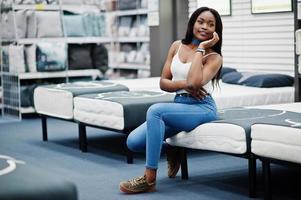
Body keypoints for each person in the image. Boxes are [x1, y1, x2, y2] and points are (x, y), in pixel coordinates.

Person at [119, 6, 223, 194]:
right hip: (180, 104)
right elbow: (163, 82)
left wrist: (201, 48)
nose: (204, 27)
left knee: (156, 111)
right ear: (193, 23)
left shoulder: (214, 57)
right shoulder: (176, 46)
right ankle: (171, 147)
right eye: (200, 21)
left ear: (216, 31)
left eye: (210, 24)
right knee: (132, 142)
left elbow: (195, 81)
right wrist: (186, 85)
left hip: (202, 108)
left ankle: (149, 179)